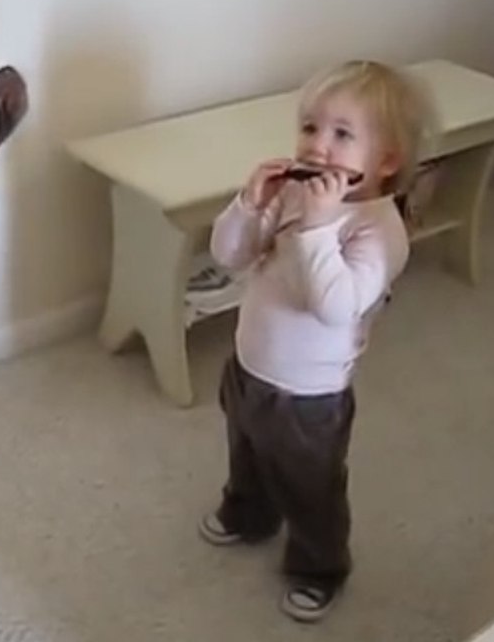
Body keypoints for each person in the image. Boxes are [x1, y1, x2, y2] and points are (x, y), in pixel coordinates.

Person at [197, 59, 431, 622]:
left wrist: (320, 228)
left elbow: (335, 307)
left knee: (310, 486)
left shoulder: (379, 230)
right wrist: (250, 204)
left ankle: (319, 566)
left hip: (311, 395)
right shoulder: (294, 197)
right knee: (247, 454)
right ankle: (249, 512)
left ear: (387, 160)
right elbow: (229, 256)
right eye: (310, 127)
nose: (318, 145)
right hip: (250, 364)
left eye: (342, 134)